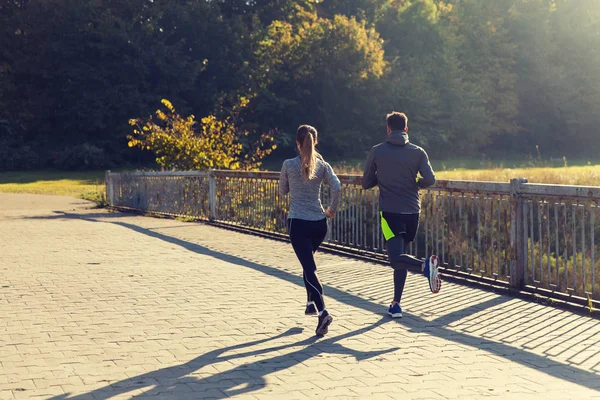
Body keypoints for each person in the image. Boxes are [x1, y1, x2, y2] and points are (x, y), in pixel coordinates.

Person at [361, 112, 440, 319]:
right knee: (401, 255)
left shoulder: (377, 151)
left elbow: (366, 183)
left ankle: (424, 266)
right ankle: (396, 304)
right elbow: (430, 179)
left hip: (390, 212)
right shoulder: (418, 151)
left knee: (396, 258)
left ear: (388, 129)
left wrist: (383, 176)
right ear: (406, 129)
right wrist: (416, 183)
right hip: (413, 212)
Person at [279, 125, 341, 336]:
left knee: (309, 268)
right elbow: (338, 186)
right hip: (319, 224)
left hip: (298, 223)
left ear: (297, 143)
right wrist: (331, 208)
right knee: (308, 265)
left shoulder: (288, 165)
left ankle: (323, 312)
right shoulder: (323, 166)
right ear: (315, 142)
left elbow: (282, 191)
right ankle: (309, 303)